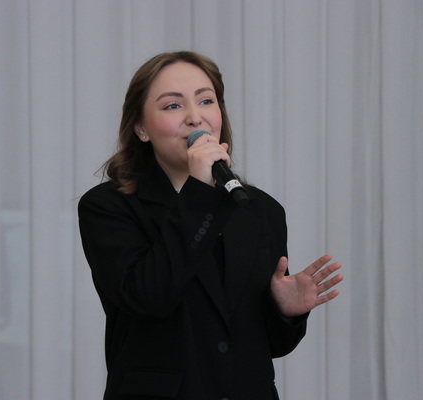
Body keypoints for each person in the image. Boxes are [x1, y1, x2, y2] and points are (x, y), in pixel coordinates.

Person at [78, 51, 343, 400]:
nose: (195, 117)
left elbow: (267, 345)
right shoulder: (108, 207)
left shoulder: (260, 209)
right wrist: (199, 191)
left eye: (206, 100)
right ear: (141, 128)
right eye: (173, 106)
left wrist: (284, 312)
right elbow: (147, 298)